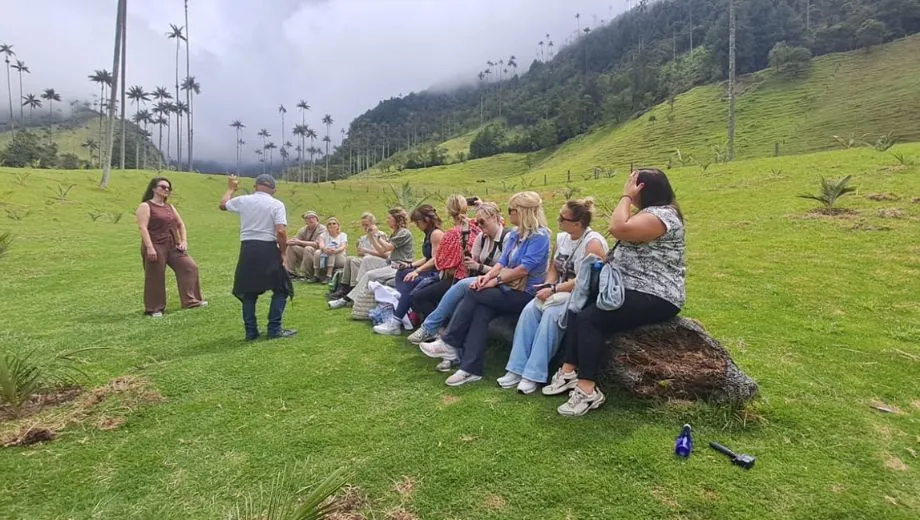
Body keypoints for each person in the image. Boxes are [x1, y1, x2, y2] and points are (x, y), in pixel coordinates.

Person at [545, 169, 686, 417]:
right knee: (579, 304)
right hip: (632, 287)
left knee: (592, 319)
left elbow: (617, 228)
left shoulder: (663, 217)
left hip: (655, 293)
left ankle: (588, 390)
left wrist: (626, 197)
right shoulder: (653, 214)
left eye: (633, 186)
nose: (628, 190)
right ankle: (568, 372)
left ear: (642, 190)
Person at [420, 191, 551, 386]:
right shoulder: (515, 235)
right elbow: (503, 262)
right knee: (481, 308)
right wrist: (487, 277)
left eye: (511, 210)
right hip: (507, 288)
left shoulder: (540, 237)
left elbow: (523, 270)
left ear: (523, 212)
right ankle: (470, 368)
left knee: (473, 291)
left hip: (525, 294)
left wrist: (493, 281)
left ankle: (450, 343)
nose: (509, 214)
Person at [498, 198, 608, 394]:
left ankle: (534, 374)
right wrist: (549, 284)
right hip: (557, 290)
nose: (558, 221)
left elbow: (584, 280)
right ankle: (515, 368)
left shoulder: (593, 244)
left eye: (562, 218)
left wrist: (555, 290)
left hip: (579, 296)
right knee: (529, 311)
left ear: (577, 223)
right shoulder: (562, 238)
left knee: (551, 316)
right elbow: (553, 268)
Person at [406, 202, 508, 373]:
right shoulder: (480, 238)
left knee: (461, 291)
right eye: (478, 223)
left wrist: (478, 268)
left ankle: (433, 331)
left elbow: (506, 272)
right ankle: (452, 352)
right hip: (481, 281)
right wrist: (468, 262)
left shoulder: (507, 238)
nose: (480, 227)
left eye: (482, 223)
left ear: (496, 218)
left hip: (496, 282)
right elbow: (470, 263)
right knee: (464, 301)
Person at [220, 174, 296, 340]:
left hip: (248, 248)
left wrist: (231, 188)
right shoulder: (276, 204)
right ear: (274, 190)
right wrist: (283, 252)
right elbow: (281, 231)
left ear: (255, 186)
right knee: (282, 288)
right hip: (267, 248)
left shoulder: (244, 200)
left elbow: (223, 204)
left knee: (249, 292)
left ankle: (251, 332)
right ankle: (274, 329)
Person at [407, 195, 481, 334]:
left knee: (418, 297)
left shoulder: (452, 234)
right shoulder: (477, 227)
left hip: (457, 277)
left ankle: (442, 329)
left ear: (449, 211)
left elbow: (441, 262)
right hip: (475, 275)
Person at [135, 177, 206, 317]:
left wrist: (183, 241)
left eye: (169, 188)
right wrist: (149, 248)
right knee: (155, 276)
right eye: (163, 187)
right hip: (154, 244)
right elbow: (143, 228)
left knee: (189, 267)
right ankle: (154, 309)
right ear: (154, 189)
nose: (166, 189)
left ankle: (191, 301)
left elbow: (180, 224)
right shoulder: (145, 206)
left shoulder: (170, 207)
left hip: (172, 244)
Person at [372, 204, 445, 335]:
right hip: (431, 270)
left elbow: (435, 259)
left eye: (418, 222)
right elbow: (426, 257)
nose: (417, 225)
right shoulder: (429, 234)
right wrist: (410, 265)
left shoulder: (436, 234)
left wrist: (417, 271)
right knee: (403, 272)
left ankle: (397, 320)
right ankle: (400, 318)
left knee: (408, 281)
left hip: (438, 273)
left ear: (426, 220)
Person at [328, 207, 413, 311]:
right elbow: (381, 250)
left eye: (389, 218)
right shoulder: (396, 232)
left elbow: (387, 248)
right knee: (367, 259)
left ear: (397, 219)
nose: (387, 220)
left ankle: (345, 299)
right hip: (391, 263)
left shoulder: (404, 233)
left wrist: (376, 236)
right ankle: (356, 292)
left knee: (369, 274)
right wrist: (371, 236)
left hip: (399, 267)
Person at [329, 212, 388, 300]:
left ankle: (353, 287)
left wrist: (365, 251)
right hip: (365, 259)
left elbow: (384, 254)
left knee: (354, 261)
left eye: (367, 225)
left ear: (373, 223)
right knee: (349, 259)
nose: (365, 227)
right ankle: (344, 286)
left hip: (376, 261)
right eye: (363, 225)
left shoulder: (380, 235)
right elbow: (361, 253)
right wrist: (360, 252)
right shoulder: (363, 238)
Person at [284, 210, 326, 280]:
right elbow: (295, 239)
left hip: (319, 254)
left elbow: (317, 244)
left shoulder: (322, 229)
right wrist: (288, 242)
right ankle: (290, 272)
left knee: (308, 248)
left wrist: (300, 242)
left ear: (317, 219)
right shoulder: (303, 230)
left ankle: (305, 274)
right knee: (292, 247)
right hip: (307, 252)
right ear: (305, 221)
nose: (310, 220)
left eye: (312, 217)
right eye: (308, 218)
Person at [315, 217, 348, 283]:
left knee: (332, 252)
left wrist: (335, 250)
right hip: (326, 254)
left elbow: (343, 246)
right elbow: (321, 244)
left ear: (338, 225)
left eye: (334, 223)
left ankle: (328, 276)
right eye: (329, 224)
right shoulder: (323, 235)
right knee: (317, 252)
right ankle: (316, 275)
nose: (332, 225)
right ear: (327, 226)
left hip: (340, 257)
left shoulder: (342, 235)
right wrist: (325, 249)